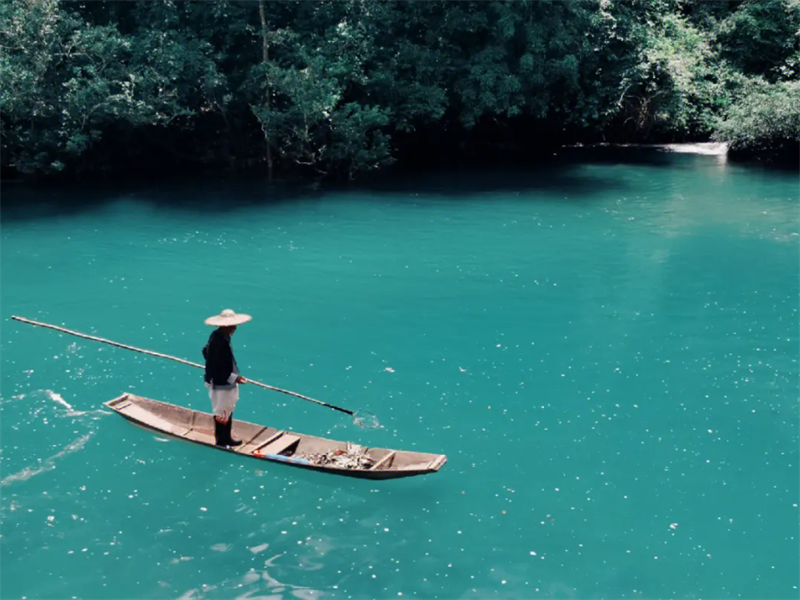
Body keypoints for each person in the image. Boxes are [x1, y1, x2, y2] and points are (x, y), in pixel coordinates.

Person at [203, 309, 251, 447]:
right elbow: (218, 365)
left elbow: (205, 352)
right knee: (222, 410)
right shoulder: (219, 342)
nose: (235, 328)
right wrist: (234, 378)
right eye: (232, 326)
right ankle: (221, 440)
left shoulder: (218, 336)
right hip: (221, 381)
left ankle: (226, 437)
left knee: (227, 409)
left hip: (222, 379)